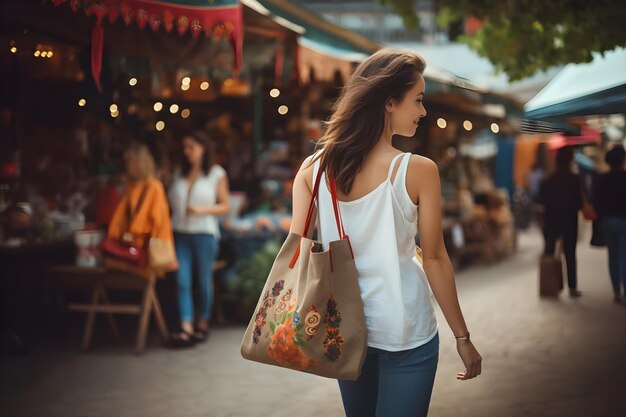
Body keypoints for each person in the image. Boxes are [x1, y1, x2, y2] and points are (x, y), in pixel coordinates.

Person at [290, 49, 482, 417]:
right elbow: (436, 258)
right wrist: (463, 337)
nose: (424, 112)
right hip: (405, 331)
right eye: (419, 101)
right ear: (390, 102)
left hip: (342, 328)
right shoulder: (418, 170)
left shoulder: (312, 169)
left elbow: (297, 249)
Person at [168, 131, 231, 347]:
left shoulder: (215, 173)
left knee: (204, 280)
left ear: (203, 149)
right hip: (179, 232)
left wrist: (201, 210)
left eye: (191, 147)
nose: (187, 152)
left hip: (204, 232)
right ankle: (186, 325)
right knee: (182, 280)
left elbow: (225, 206)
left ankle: (202, 322)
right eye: (185, 147)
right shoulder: (178, 172)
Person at [106, 143, 176, 278]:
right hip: (131, 246)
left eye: (129, 162)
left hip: (142, 247)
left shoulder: (154, 187)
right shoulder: (132, 186)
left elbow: (157, 221)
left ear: (138, 163)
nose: (127, 166)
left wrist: (134, 236)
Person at [537, 147, 584, 297]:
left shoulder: (548, 179)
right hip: (570, 220)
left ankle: (549, 286)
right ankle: (572, 287)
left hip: (552, 221)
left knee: (550, 252)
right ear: (570, 160)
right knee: (570, 254)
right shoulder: (574, 179)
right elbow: (579, 202)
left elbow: (540, 200)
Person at [593, 146, 626, 304]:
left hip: (608, 221)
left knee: (613, 257)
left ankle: (617, 293)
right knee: (624, 258)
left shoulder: (602, 179)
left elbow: (596, 201)